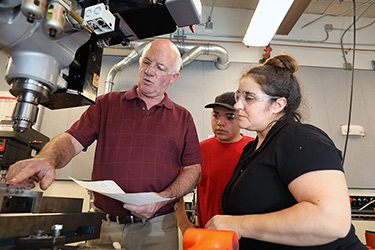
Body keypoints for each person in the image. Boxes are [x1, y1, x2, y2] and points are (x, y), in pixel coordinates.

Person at [6, 39, 202, 250]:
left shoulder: (183, 118)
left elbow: (193, 169)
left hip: (158, 229)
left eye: (160, 67)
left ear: (174, 77)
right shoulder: (107, 104)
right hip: (105, 227)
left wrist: (162, 199)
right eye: (146, 62)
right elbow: (72, 140)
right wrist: (47, 158)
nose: (149, 71)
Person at [205, 54, 367, 249]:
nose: (238, 105)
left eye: (248, 98)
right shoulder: (252, 149)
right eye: (238, 96)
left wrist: (237, 225)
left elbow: (332, 221)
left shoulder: (299, 138)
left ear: (278, 104)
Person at [176, 92, 254, 234]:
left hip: (246, 234)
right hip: (209, 234)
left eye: (229, 117)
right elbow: (176, 189)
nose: (220, 122)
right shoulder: (198, 151)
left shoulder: (254, 149)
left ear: (241, 118)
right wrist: (183, 224)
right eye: (216, 115)